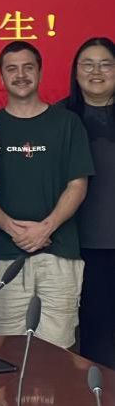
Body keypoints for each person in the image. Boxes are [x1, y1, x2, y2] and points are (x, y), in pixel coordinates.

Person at [0, 42, 92, 347]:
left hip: (59, 253)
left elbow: (77, 185)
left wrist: (46, 228)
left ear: (40, 72)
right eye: (12, 69)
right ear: (1, 76)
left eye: (28, 67)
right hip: (6, 256)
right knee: (9, 351)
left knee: (59, 351)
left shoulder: (67, 123)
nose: (21, 75)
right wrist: (11, 228)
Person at [61, 36, 115, 367]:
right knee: (93, 339)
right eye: (88, 64)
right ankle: (102, 400)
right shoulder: (60, 117)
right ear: (75, 71)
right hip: (80, 246)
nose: (96, 72)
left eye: (106, 64)